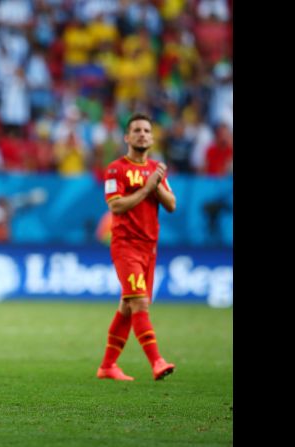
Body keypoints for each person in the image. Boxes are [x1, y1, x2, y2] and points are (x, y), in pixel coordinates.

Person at [97, 112, 176, 381]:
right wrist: (146, 188)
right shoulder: (115, 169)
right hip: (125, 246)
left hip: (149, 248)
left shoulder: (156, 169)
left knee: (128, 305)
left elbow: (171, 204)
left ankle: (108, 366)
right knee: (139, 302)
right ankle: (157, 361)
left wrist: (155, 185)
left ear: (152, 138)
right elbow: (115, 205)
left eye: (146, 130)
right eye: (137, 130)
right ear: (127, 137)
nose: (142, 134)